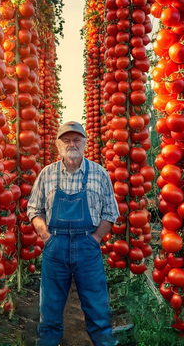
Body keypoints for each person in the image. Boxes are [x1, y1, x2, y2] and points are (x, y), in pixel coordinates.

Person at [27, 121, 120, 346]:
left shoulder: (99, 174)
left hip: (87, 245)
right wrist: (45, 235)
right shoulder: (46, 174)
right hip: (55, 246)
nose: (72, 144)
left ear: (85, 143)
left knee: (97, 309)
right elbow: (33, 209)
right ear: (58, 145)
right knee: (49, 310)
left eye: (77, 139)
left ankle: (104, 341)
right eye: (66, 140)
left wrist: (96, 238)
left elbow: (111, 212)